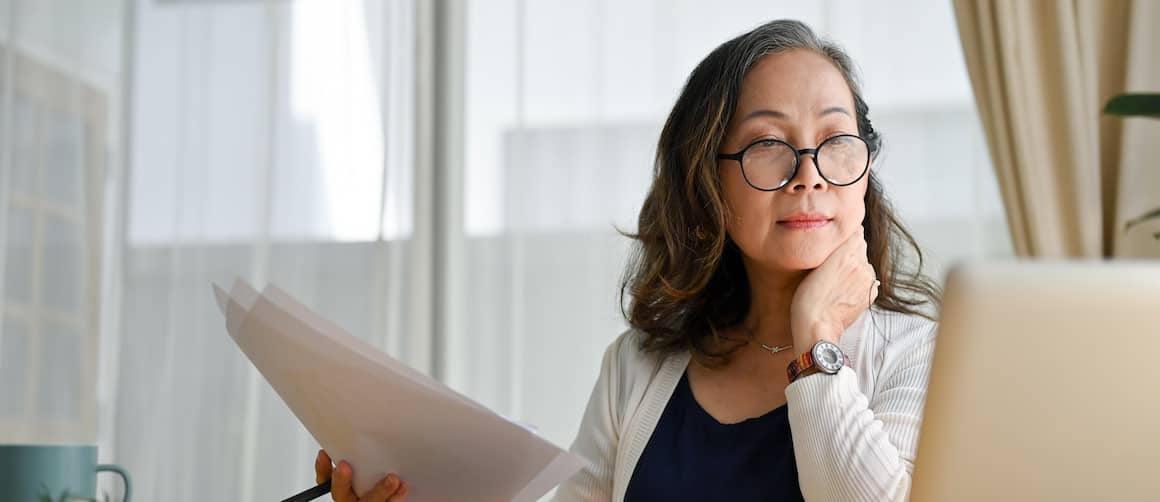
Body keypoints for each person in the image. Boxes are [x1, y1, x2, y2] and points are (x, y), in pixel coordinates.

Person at [312, 18, 941, 502]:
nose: (809, 174)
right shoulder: (636, 368)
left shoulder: (922, 356)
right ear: (708, 182)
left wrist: (816, 337)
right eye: (768, 144)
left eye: (835, 139)